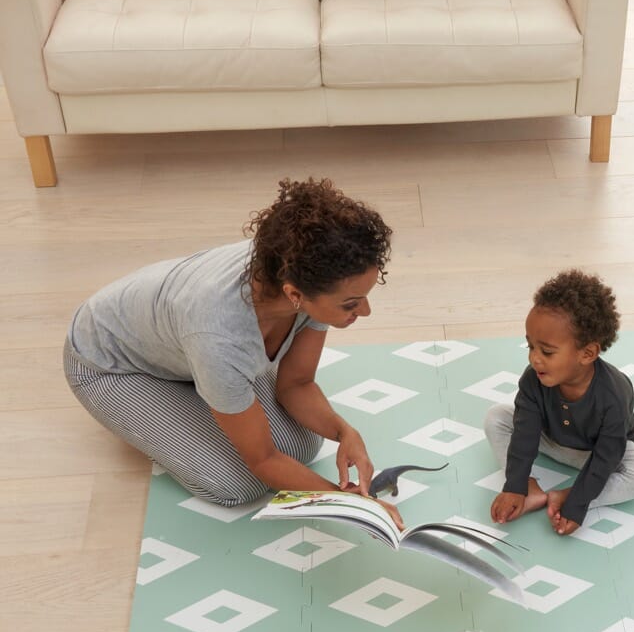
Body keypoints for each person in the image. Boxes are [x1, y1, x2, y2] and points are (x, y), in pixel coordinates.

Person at [63, 177, 401, 516]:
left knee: (304, 444)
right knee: (237, 485)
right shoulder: (220, 336)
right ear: (294, 294)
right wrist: (354, 504)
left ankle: (209, 391)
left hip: (184, 347)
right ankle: (179, 402)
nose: (365, 311)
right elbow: (262, 459)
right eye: (351, 304)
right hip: (109, 364)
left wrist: (345, 432)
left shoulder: (304, 268)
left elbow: (296, 385)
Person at [485, 269, 634, 536]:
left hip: (597, 454)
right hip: (549, 440)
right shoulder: (533, 379)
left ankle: (567, 494)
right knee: (496, 417)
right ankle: (530, 490)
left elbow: (607, 456)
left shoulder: (614, 393)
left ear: (587, 353)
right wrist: (515, 485)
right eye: (530, 346)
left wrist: (578, 502)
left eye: (547, 351)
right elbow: (524, 433)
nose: (534, 358)